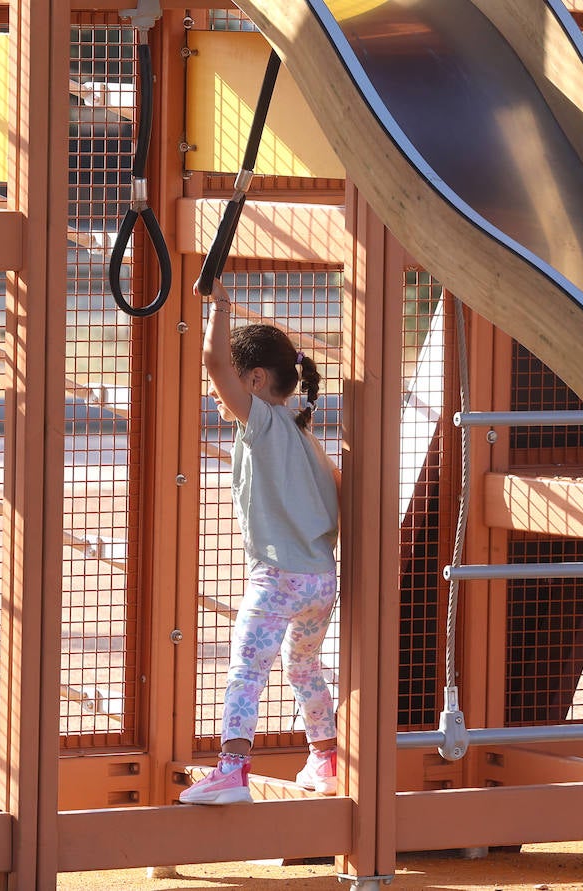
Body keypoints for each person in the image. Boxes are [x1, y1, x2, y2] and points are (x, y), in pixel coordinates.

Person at [181, 279, 343, 804]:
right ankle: (326, 760)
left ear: (254, 378)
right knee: (303, 668)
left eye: (232, 377)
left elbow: (213, 363)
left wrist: (221, 306)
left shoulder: (263, 423)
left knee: (246, 671)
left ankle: (232, 771)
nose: (217, 389)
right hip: (322, 580)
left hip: (278, 578)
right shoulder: (306, 438)